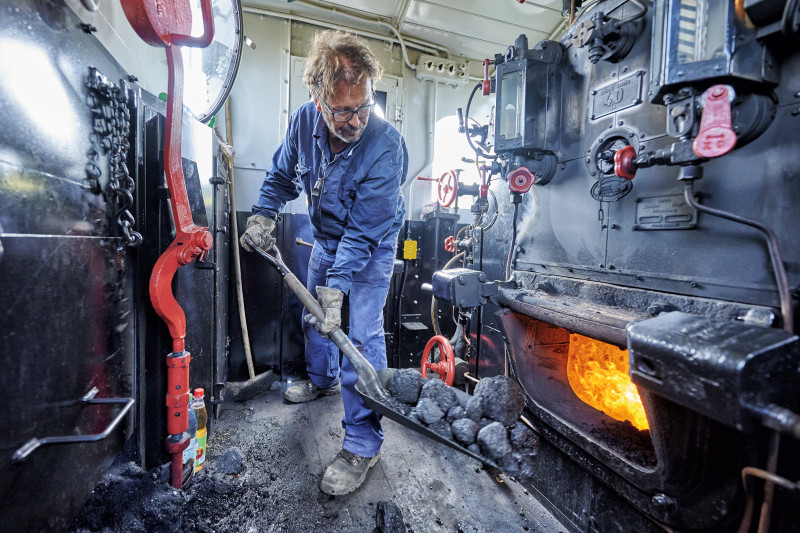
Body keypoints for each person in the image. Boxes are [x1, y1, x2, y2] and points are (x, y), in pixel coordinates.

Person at [240, 30, 407, 496]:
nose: (356, 120)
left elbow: (363, 231)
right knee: (316, 318)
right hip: (325, 237)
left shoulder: (386, 147)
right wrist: (263, 215)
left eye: (365, 106)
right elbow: (280, 175)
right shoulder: (302, 124)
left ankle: (362, 441)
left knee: (361, 334)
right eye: (343, 110)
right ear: (317, 100)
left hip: (370, 248)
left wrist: (339, 286)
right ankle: (322, 380)